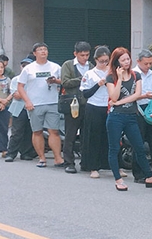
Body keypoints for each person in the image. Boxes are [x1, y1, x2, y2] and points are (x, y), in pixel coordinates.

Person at [105, 47, 152, 192]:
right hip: (115, 117)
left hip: (131, 115)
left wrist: (119, 102)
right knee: (114, 148)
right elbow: (113, 96)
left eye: (128, 59)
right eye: (123, 60)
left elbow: (137, 94)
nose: (126, 62)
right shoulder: (110, 77)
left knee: (139, 146)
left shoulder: (135, 75)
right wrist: (119, 79)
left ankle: (149, 176)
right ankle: (118, 179)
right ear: (116, 62)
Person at [15, 42, 64, 168]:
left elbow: (63, 81)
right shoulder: (28, 69)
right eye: (40, 50)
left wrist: (55, 81)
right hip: (35, 104)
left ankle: (58, 158)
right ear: (35, 53)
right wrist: (27, 101)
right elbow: (20, 87)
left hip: (52, 102)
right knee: (37, 131)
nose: (43, 52)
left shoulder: (55, 67)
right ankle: (42, 158)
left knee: (54, 131)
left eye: (45, 49)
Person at [132, 49, 152, 188]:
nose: (148, 66)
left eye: (150, 63)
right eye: (146, 63)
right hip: (137, 109)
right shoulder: (132, 74)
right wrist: (144, 95)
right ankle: (139, 174)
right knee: (138, 143)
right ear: (138, 61)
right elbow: (129, 95)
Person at [79, 46, 111, 179]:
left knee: (110, 137)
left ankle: (111, 164)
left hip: (108, 106)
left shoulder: (112, 72)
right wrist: (98, 84)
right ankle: (93, 166)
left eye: (106, 61)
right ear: (96, 60)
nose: (104, 64)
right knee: (94, 137)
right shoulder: (90, 74)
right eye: (101, 61)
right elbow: (85, 93)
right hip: (94, 106)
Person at [59, 41, 91, 174]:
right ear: (75, 54)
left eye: (87, 55)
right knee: (70, 134)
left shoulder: (92, 66)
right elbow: (65, 82)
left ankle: (85, 162)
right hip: (73, 104)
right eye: (82, 55)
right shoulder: (68, 65)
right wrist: (82, 79)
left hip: (88, 104)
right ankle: (69, 162)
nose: (85, 58)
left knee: (86, 135)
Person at [5, 56, 37, 162]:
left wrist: (25, 93)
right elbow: (16, 95)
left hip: (32, 108)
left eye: (27, 66)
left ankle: (26, 153)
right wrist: (29, 94)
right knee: (17, 132)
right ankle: (11, 153)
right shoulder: (16, 79)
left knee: (29, 131)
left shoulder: (35, 79)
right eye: (23, 66)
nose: (25, 68)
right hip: (19, 108)